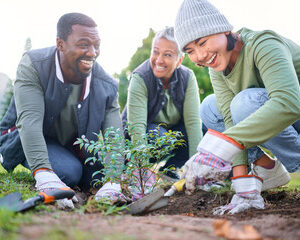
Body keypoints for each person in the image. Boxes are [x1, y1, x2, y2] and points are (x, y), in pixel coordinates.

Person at [174, 0, 300, 214]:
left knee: (244, 103)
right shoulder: (217, 66)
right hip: (279, 121)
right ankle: (267, 169)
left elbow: (288, 102)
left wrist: (219, 148)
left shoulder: (263, 43)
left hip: (293, 112)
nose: (200, 56)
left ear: (223, 29)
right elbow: (229, 120)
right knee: (210, 108)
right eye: (190, 50)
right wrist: (243, 187)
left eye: (202, 42)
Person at [0, 13, 123, 209]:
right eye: (83, 44)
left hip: (73, 146)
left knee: (98, 177)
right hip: (29, 136)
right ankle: (33, 160)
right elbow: (29, 122)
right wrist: (44, 174)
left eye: (96, 45)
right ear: (60, 44)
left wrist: (113, 180)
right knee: (70, 172)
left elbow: (114, 136)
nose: (92, 52)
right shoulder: (34, 65)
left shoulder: (106, 84)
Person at [122, 27, 203, 180]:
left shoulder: (188, 77)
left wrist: (196, 168)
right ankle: (135, 170)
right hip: (141, 136)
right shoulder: (140, 77)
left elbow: (193, 123)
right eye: (155, 52)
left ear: (179, 60)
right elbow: (137, 128)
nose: (159, 60)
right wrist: (142, 172)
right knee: (161, 137)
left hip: (170, 132)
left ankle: (172, 170)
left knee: (203, 129)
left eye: (167, 55)